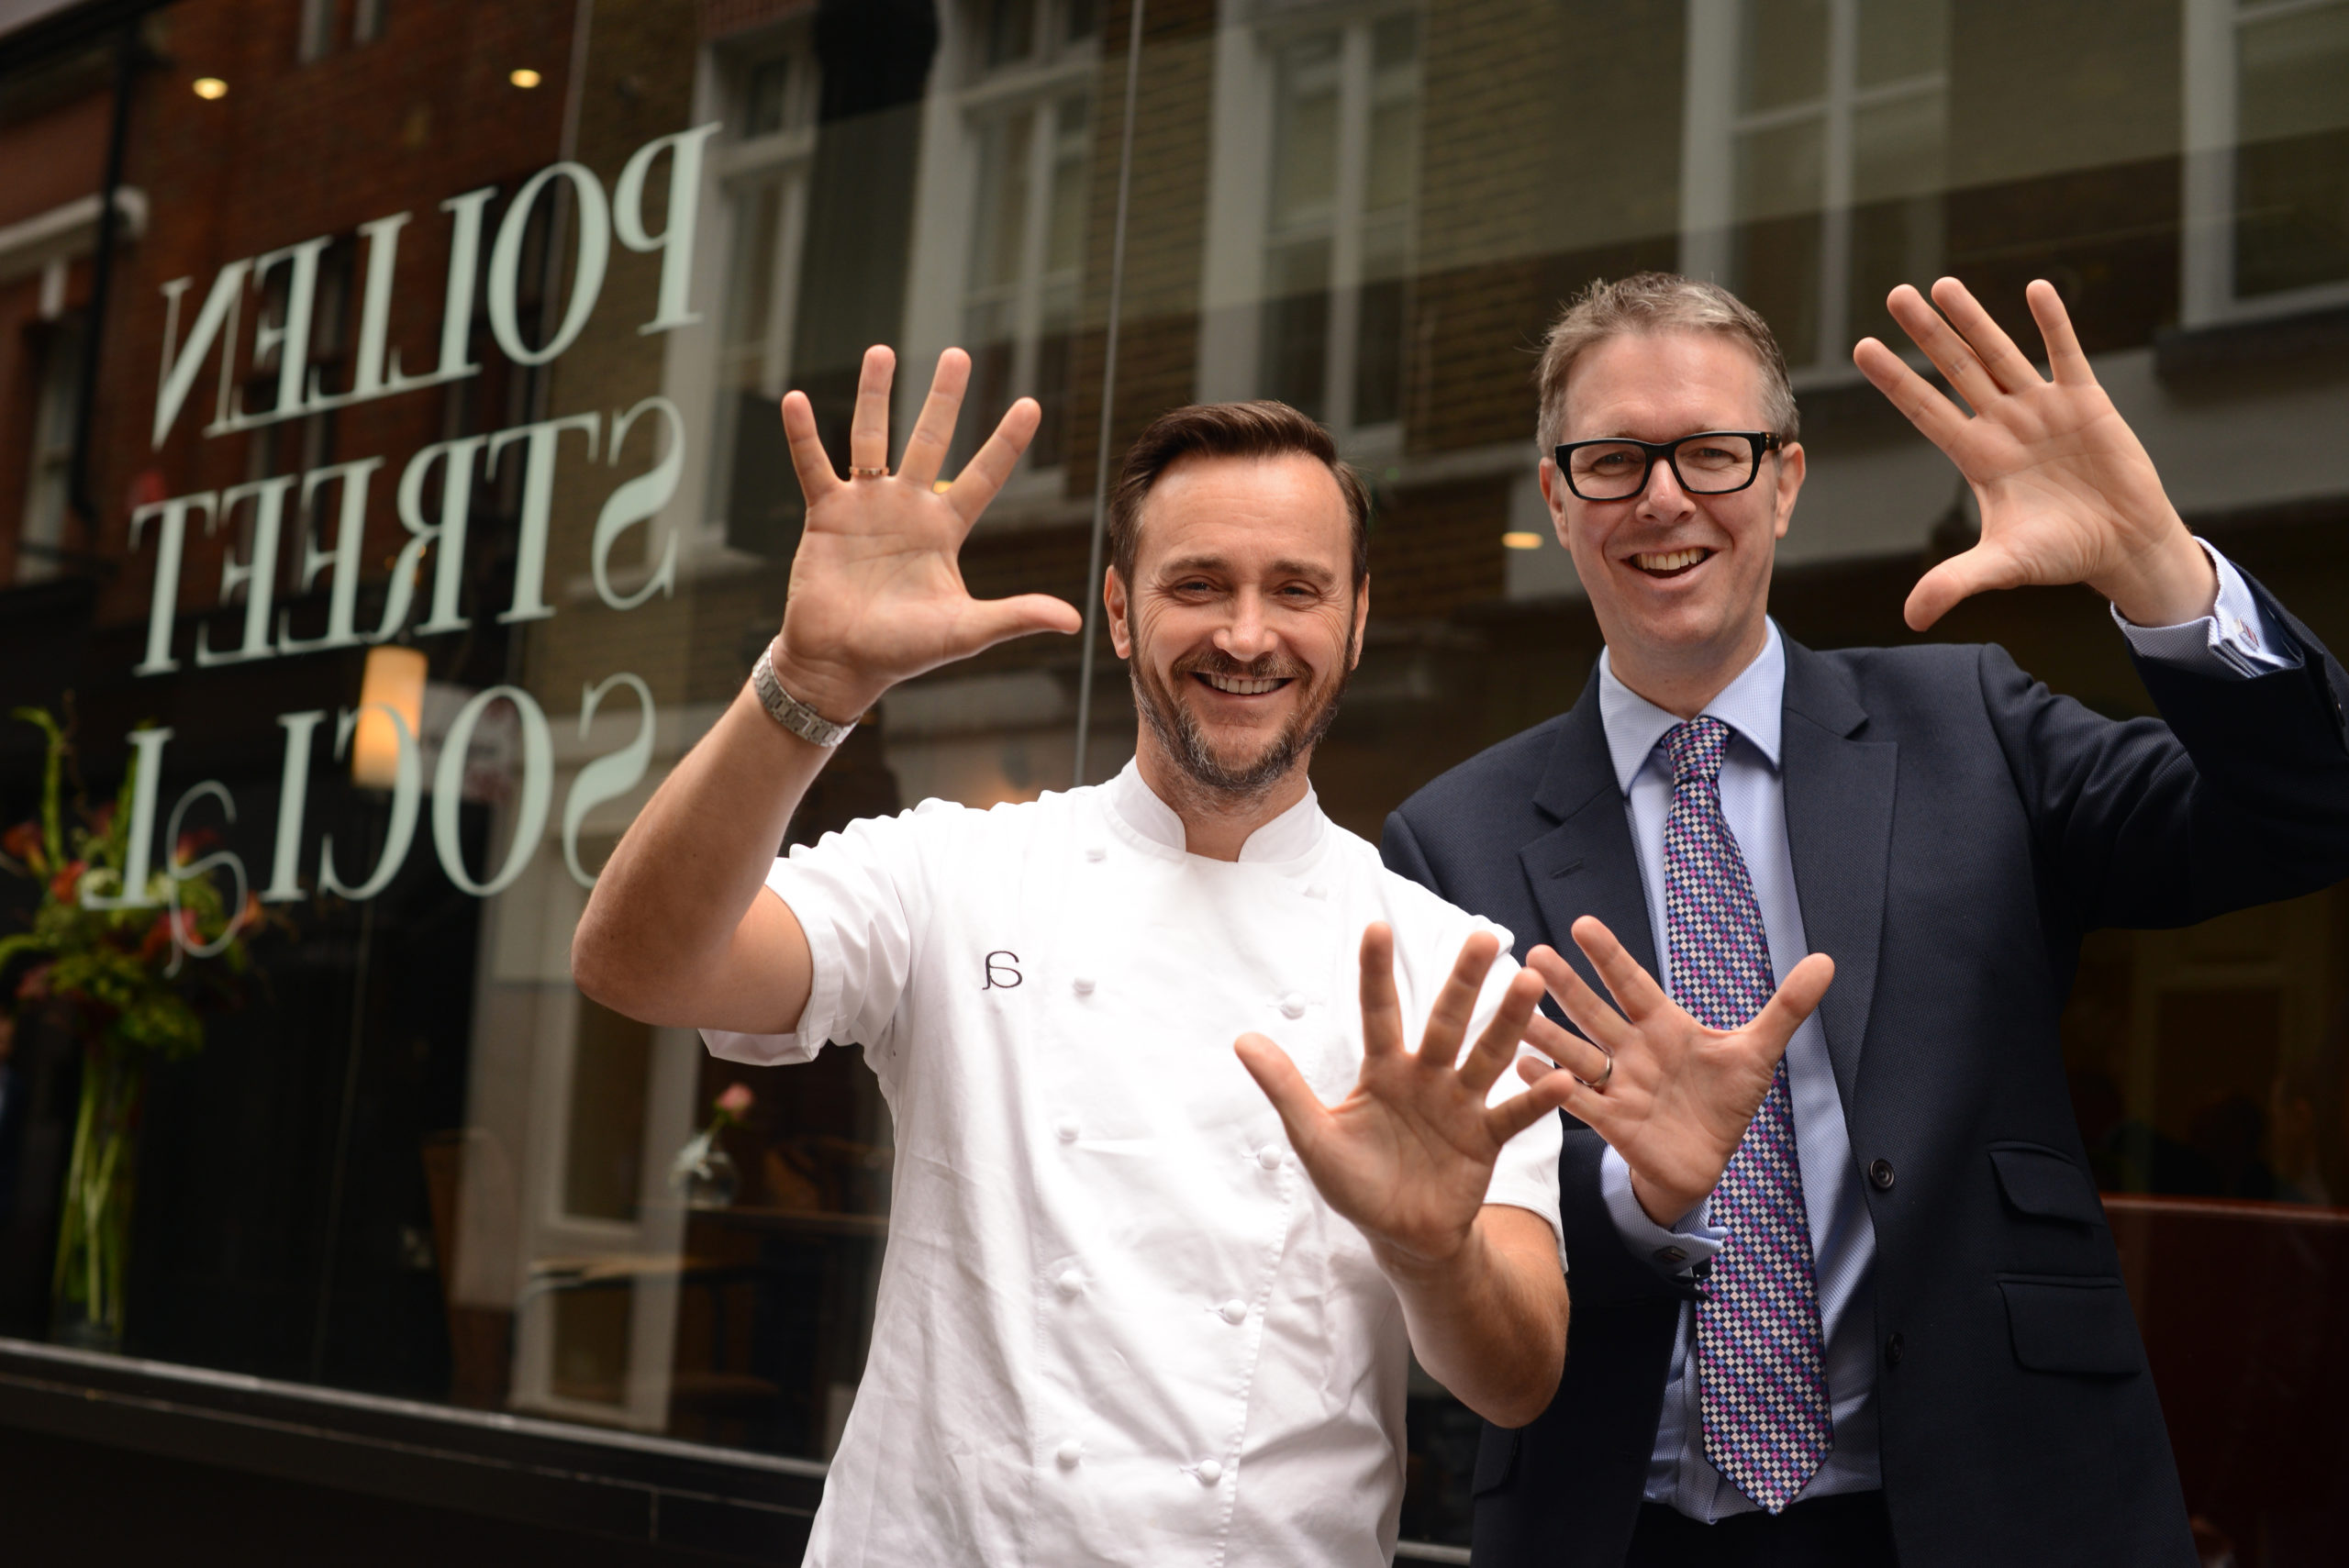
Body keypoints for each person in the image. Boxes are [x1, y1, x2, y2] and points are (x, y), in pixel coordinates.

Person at [571, 350, 1828, 1566]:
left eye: (1295, 588)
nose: (1245, 633)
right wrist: (810, 679)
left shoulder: (1452, 967)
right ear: (1120, 610)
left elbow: (1516, 1379)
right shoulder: (952, 874)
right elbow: (642, 965)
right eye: (1196, 584)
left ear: (1355, 616)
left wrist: (1431, 1249)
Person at [1382, 272, 2349, 1568]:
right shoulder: (1449, 839)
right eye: (1612, 460)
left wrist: (2159, 567)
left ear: (1784, 479)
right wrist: (1633, 1193)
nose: (1663, 496)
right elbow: (1454, 1218)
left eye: (1711, 453)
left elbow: (2308, 811)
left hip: (1995, 1500)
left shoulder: (1975, 726)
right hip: (1631, 1524)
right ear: (1557, 499)